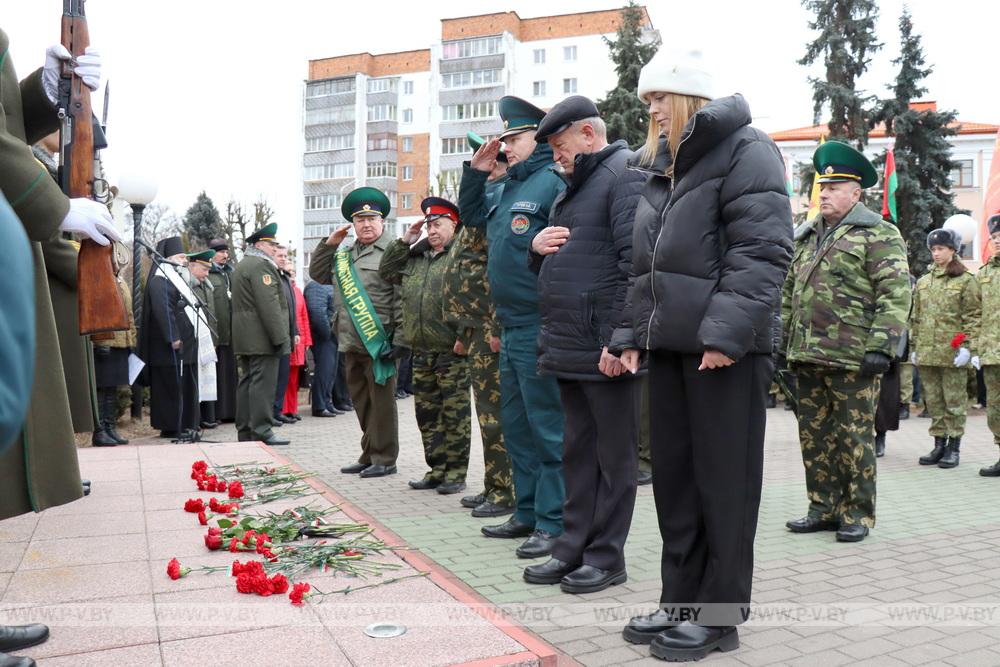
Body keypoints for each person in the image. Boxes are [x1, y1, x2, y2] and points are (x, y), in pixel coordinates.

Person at [614, 51, 793, 661]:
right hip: (669, 350)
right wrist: (629, 334)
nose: (653, 110)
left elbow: (762, 250)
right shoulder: (664, 164)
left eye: (661, 97)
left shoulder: (748, 149)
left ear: (689, 97)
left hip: (724, 354)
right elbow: (646, 265)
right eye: (647, 102)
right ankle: (680, 600)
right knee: (676, 483)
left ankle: (719, 617)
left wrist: (723, 334)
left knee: (724, 485)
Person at [523, 96, 644, 594]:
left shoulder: (623, 175)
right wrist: (536, 251)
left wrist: (622, 339)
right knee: (578, 453)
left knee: (613, 460)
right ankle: (572, 547)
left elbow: (635, 263)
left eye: (560, 144)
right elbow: (565, 259)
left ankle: (605, 555)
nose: (555, 155)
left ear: (589, 135)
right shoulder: (574, 186)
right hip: (570, 344)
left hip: (603, 347)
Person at [783, 140, 911, 545]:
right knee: (814, 438)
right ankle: (822, 507)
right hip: (806, 355)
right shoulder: (805, 236)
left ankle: (857, 513)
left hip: (853, 357)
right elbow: (788, 294)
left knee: (854, 438)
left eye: (834, 188)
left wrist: (882, 346)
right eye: (822, 188)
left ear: (856, 193)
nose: (824, 195)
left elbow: (895, 293)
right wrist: (780, 342)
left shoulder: (878, 233)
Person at [461, 96, 567, 560]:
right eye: (503, 139)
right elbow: (470, 221)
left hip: (541, 324)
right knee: (517, 426)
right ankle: (526, 510)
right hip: (510, 327)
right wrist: (474, 173)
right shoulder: (510, 187)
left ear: (539, 138)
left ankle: (554, 521)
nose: (507, 147)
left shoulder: (552, 182)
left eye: (515, 138)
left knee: (547, 427)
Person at [444, 131, 515, 518]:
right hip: (474, 327)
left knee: (496, 416)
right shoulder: (485, 202)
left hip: (492, 327)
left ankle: (506, 491)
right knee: (486, 414)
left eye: (485, 165)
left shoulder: (501, 201)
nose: (478, 171)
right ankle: (494, 485)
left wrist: (493, 326)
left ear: (500, 166)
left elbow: (495, 271)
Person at [309, 187, 401, 478]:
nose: (366, 224)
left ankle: (385, 458)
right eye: (360, 220)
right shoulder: (344, 256)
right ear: (353, 225)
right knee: (362, 402)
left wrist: (399, 340)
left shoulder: (394, 252)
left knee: (382, 404)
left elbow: (402, 297)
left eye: (372, 218)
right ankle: (369, 453)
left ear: (383, 221)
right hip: (350, 340)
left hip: (380, 341)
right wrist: (329, 244)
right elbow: (318, 275)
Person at [381, 197, 472, 494]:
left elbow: (472, 295)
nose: (432, 231)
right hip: (420, 350)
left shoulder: (462, 254)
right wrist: (406, 240)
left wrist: (465, 335)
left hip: (452, 349)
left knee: (454, 416)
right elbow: (387, 272)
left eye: (438, 225)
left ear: (453, 226)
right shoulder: (416, 257)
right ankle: (437, 469)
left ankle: (456, 474)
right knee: (427, 415)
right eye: (429, 226)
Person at [912, 228, 981, 468]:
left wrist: (967, 348)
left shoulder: (965, 280)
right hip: (928, 352)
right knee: (934, 402)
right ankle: (939, 445)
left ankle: (954, 448)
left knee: (954, 402)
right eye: (933, 249)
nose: (936, 253)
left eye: (941, 249)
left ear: (953, 250)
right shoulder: (923, 281)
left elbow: (973, 316)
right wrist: (914, 345)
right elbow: (916, 317)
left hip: (952, 354)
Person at [231, 223, 291, 446]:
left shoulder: (245, 264)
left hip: (247, 335)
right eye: (270, 244)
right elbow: (269, 305)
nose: (274, 249)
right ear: (258, 244)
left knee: (248, 383)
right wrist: (280, 337)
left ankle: (246, 430)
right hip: (261, 337)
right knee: (262, 385)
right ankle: (262, 430)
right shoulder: (260, 266)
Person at [138, 236, 201, 439]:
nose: (184, 261)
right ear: (169, 258)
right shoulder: (160, 279)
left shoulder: (173, 276)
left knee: (178, 387)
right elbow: (163, 309)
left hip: (179, 348)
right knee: (169, 389)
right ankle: (172, 426)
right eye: (181, 257)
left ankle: (182, 423)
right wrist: (173, 336)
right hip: (166, 349)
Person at [91, 249, 136, 447]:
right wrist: (101, 342)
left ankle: (110, 427)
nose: (117, 262)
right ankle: (100, 430)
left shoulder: (120, 281)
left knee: (112, 389)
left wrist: (131, 340)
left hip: (121, 342)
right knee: (103, 388)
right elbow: (96, 312)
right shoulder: (100, 279)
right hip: (107, 341)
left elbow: (129, 313)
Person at [187, 249, 219, 430]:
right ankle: (197, 418)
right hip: (195, 340)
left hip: (207, 339)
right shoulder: (188, 284)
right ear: (192, 266)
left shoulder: (206, 284)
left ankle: (206, 416)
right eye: (204, 269)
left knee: (207, 379)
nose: (207, 274)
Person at [978, 214, 1000, 476]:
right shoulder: (983, 275)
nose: (998, 241)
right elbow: (974, 314)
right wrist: (972, 347)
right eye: (995, 238)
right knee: (995, 410)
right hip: (992, 353)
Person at [207, 238, 237, 422]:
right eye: (221, 252)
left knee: (230, 375)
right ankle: (217, 413)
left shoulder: (230, 274)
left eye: (226, 252)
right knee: (216, 376)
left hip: (232, 333)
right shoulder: (208, 274)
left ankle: (231, 412)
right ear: (212, 254)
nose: (225, 255)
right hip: (216, 334)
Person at [303, 278, 339, 417]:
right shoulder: (316, 285)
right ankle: (319, 406)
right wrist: (328, 333)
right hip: (324, 336)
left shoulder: (332, 284)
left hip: (332, 335)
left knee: (330, 372)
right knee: (324, 371)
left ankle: (327, 403)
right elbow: (317, 313)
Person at [272, 245, 299, 424]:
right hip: (276, 334)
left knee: (283, 375)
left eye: (285, 256)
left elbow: (291, 309)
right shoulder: (273, 277)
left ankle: (278, 410)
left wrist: (295, 331)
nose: (283, 258)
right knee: (274, 377)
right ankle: (272, 412)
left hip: (287, 335)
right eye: (279, 255)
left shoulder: (285, 278)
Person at [282, 265, 312, 420]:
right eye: (289, 272)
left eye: (293, 271)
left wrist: (307, 340)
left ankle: (292, 409)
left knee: (294, 378)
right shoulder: (283, 290)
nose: (292, 274)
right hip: (288, 338)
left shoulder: (298, 291)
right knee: (284, 377)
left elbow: (304, 317)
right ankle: (283, 409)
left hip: (299, 341)